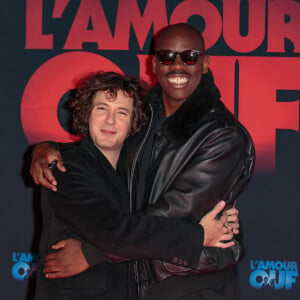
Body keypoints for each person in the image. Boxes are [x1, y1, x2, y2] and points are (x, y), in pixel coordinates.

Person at [31, 23, 255, 299]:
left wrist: (92, 253)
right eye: (167, 57)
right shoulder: (147, 117)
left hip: (194, 281)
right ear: (155, 64)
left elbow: (174, 210)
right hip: (141, 281)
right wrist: (46, 149)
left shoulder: (222, 135)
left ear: (205, 63)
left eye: (190, 57)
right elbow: (99, 149)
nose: (178, 66)